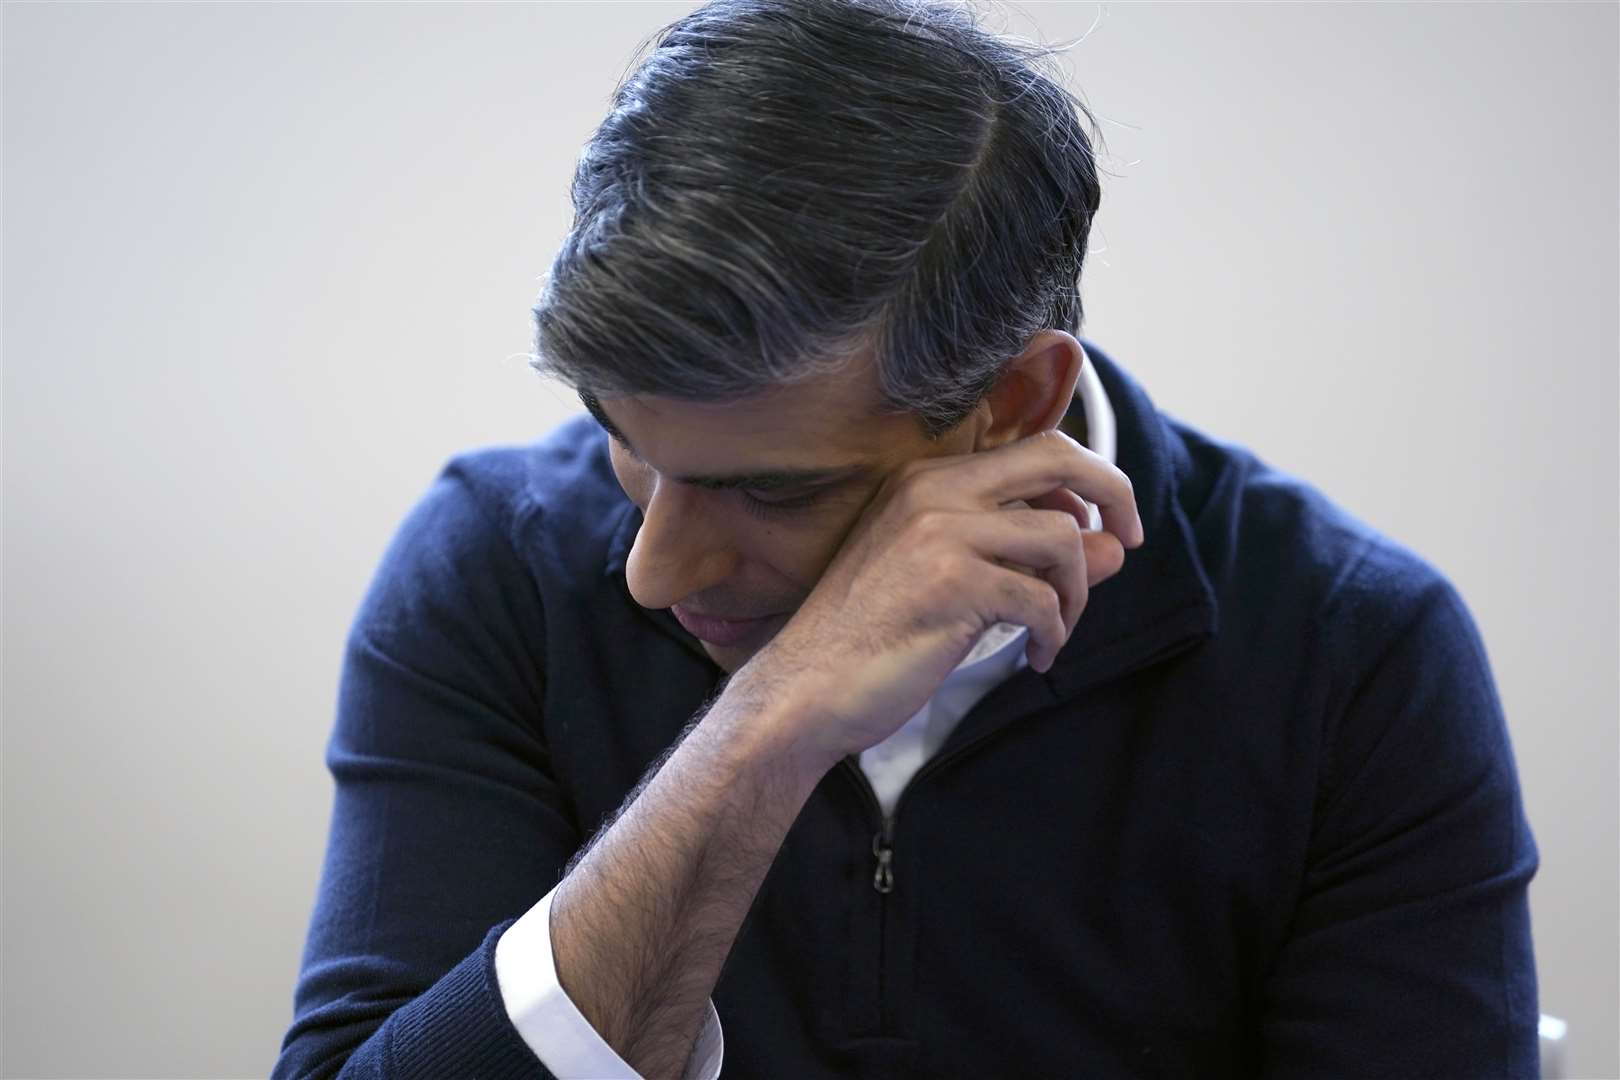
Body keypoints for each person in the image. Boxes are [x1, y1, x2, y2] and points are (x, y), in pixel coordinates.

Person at [273, 0, 1540, 1076]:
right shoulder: (494, 565)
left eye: (769, 492)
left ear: (1021, 402)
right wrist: (760, 737)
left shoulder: (1351, 649)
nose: (655, 570)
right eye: (626, 445)